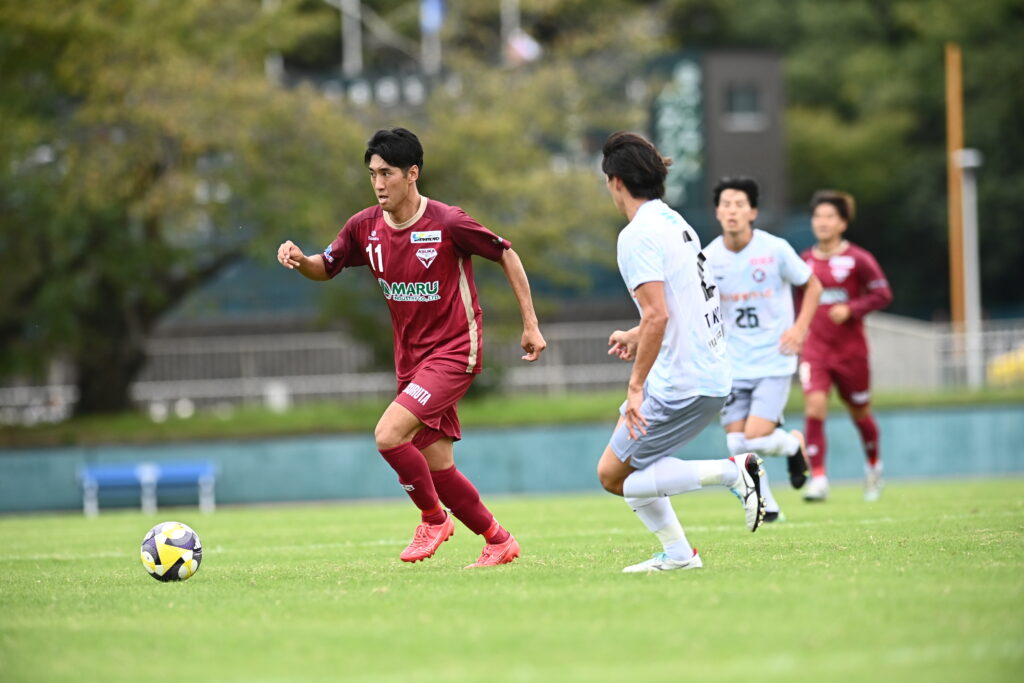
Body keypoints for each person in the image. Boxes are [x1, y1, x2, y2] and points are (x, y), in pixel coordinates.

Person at [277, 128, 547, 567]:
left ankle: (433, 520)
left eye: (387, 173)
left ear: (412, 174)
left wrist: (530, 325)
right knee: (438, 468)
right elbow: (325, 266)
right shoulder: (364, 227)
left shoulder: (448, 222)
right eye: (372, 174)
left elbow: (507, 254)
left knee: (388, 435)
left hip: (456, 350)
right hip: (412, 362)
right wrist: (300, 260)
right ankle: (499, 540)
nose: (378, 183)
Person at [595, 131, 765, 573]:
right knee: (631, 470)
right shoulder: (675, 222)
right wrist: (638, 334)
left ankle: (733, 472)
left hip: (682, 381)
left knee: (613, 475)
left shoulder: (637, 235)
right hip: (707, 372)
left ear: (616, 182)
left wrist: (635, 386)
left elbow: (659, 315)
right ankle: (678, 556)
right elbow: (677, 306)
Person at [703, 177, 822, 522]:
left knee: (754, 437)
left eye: (739, 204)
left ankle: (792, 445)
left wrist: (799, 329)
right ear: (717, 212)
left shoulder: (775, 249)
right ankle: (769, 507)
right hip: (732, 363)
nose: (732, 211)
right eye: (726, 204)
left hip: (773, 360)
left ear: (752, 212)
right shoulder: (707, 258)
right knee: (736, 444)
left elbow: (813, 286)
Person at [798, 190, 893, 502]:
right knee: (814, 406)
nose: (822, 222)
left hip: (851, 352)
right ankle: (819, 479)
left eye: (830, 217)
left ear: (842, 223)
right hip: (816, 350)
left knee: (860, 412)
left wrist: (852, 308)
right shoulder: (804, 261)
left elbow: (882, 294)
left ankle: (874, 467)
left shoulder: (858, 259)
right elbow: (797, 301)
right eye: (818, 216)